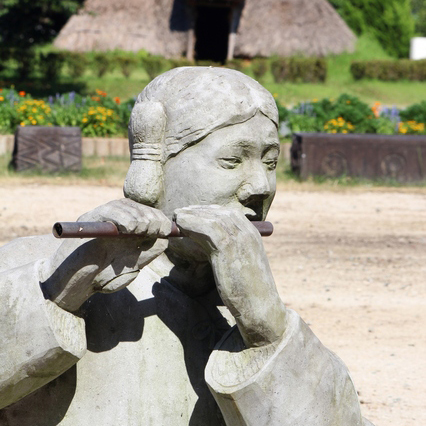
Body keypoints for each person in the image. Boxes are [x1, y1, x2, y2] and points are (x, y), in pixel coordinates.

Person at [0, 67, 373, 425]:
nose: (261, 185)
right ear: (157, 166)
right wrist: (59, 290)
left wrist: (268, 329)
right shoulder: (38, 268)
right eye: (232, 160)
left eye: (271, 162)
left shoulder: (252, 310)